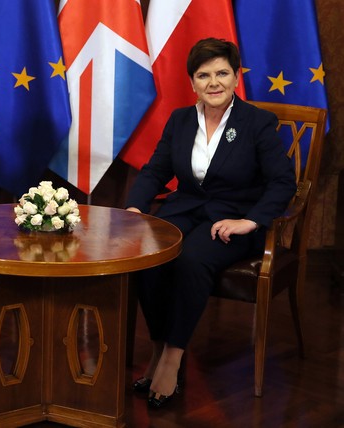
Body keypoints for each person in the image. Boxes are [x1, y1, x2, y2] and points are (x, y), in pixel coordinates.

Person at [125, 38, 297, 409]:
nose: (213, 82)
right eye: (204, 75)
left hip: (233, 221)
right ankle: (157, 347)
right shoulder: (180, 120)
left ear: (236, 78)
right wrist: (136, 208)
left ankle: (173, 356)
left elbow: (283, 181)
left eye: (222, 73)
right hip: (184, 210)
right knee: (148, 255)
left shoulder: (257, 122)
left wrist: (251, 221)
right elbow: (155, 169)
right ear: (193, 83)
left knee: (191, 259)